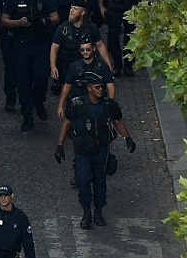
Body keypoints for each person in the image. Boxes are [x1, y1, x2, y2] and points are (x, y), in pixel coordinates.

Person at [55, 72, 136, 229]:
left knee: (100, 182)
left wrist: (128, 139)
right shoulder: (77, 104)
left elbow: (117, 121)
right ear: (89, 88)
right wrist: (60, 146)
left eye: (102, 87)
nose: (101, 89)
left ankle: (98, 211)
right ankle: (86, 213)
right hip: (82, 151)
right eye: (97, 87)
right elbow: (67, 123)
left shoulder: (108, 105)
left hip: (101, 150)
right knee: (84, 181)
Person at [0, 0, 58, 130]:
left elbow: (55, 16)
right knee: (23, 83)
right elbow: (4, 20)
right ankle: (27, 116)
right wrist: (18, 23)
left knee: (41, 78)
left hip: (40, 44)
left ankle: (39, 102)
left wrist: (44, 22)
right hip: (21, 45)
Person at [50, 0, 113, 103]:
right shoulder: (63, 28)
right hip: (68, 66)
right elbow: (54, 47)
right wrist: (53, 66)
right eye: (71, 8)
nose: (72, 11)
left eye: (75, 9)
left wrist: (108, 64)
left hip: (87, 65)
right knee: (72, 96)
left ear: (83, 12)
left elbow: (100, 45)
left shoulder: (91, 28)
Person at [56, 19, 116, 119]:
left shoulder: (101, 66)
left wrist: (110, 104)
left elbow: (111, 86)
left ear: (93, 49)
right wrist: (60, 105)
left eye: (88, 49)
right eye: (82, 50)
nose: (85, 52)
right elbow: (67, 86)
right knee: (69, 122)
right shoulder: (74, 66)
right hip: (78, 101)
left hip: (97, 102)